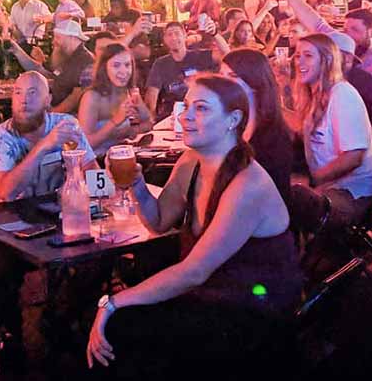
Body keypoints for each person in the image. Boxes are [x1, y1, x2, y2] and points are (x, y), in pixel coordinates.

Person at [86, 75, 301, 376]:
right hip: (211, 293)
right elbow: (158, 222)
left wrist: (112, 303)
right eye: (185, 106)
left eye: (200, 108)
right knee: (123, 322)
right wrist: (135, 184)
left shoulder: (247, 184)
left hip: (253, 309)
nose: (185, 116)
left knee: (124, 326)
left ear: (233, 120)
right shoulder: (191, 161)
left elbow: (194, 271)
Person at [277, 0, 372, 135]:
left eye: (355, 30)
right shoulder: (346, 46)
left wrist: (353, 156)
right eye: (345, 29)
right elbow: (312, 19)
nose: (348, 34)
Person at [291, 34, 372, 229]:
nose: (299, 62)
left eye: (308, 56)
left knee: (287, 204)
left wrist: (311, 181)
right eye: (297, 56)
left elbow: (353, 157)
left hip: (352, 195)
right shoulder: (315, 94)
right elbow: (298, 128)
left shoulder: (342, 95)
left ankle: (299, 258)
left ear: (327, 60)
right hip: (329, 187)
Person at [0, 71, 95, 204]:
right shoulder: (0, 138)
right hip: (6, 216)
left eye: (32, 92)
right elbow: (6, 193)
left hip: (52, 212)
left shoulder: (65, 125)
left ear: (48, 100)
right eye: (18, 92)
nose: (24, 100)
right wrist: (44, 145)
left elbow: (92, 172)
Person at [218, 49, 293, 202]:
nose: (223, 83)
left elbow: (269, 194)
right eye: (221, 75)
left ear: (254, 82)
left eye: (233, 76)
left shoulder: (273, 137)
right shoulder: (232, 124)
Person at [78, 42, 153, 155]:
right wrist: (116, 121)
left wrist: (131, 130)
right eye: (116, 65)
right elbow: (86, 143)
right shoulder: (91, 97)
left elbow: (149, 123)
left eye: (127, 65)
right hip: (97, 160)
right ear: (104, 68)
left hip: (124, 155)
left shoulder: (128, 91)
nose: (124, 71)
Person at [329, 31, 372, 148]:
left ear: (347, 59)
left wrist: (356, 155)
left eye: (329, 55)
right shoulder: (324, 80)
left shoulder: (364, 84)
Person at [145, 22, 215, 119]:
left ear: (184, 35)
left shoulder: (200, 56)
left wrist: (216, 34)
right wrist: (151, 120)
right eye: (169, 34)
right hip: (172, 114)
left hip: (200, 110)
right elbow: (152, 94)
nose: (173, 38)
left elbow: (226, 55)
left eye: (177, 33)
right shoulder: (160, 64)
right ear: (164, 39)